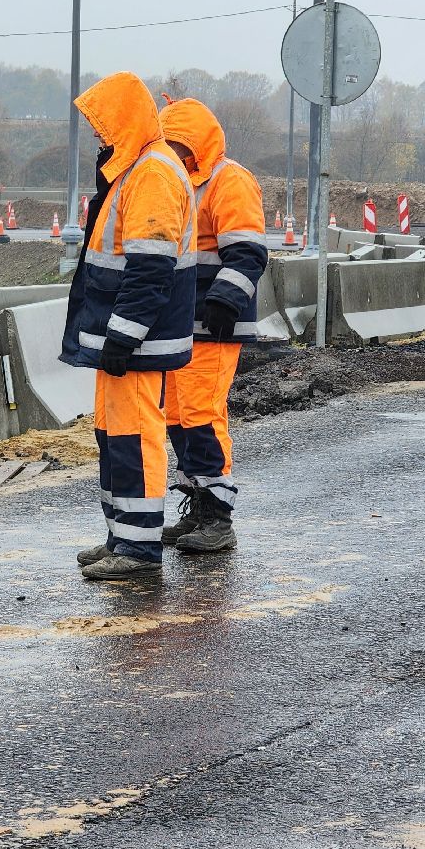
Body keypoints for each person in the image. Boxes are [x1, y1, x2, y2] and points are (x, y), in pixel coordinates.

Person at [63, 71, 196, 580]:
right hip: (125, 338)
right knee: (114, 434)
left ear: (126, 120)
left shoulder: (152, 173)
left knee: (135, 436)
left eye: (103, 123)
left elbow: (150, 268)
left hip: (136, 339)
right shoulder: (135, 168)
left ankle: (138, 550)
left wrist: (123, 333)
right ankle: (123, 535)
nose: (98, 133)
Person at [156, 97, 269, 553]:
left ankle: (218, 517)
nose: (175, 155)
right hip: (182, 322)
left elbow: (247, 250)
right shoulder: (176, 181)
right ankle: (197, 506)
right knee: (179, 416)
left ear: (199, 146)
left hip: (216, 322)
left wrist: (225, 299)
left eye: (180, 146)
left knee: (202, 413)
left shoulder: (230, 180)